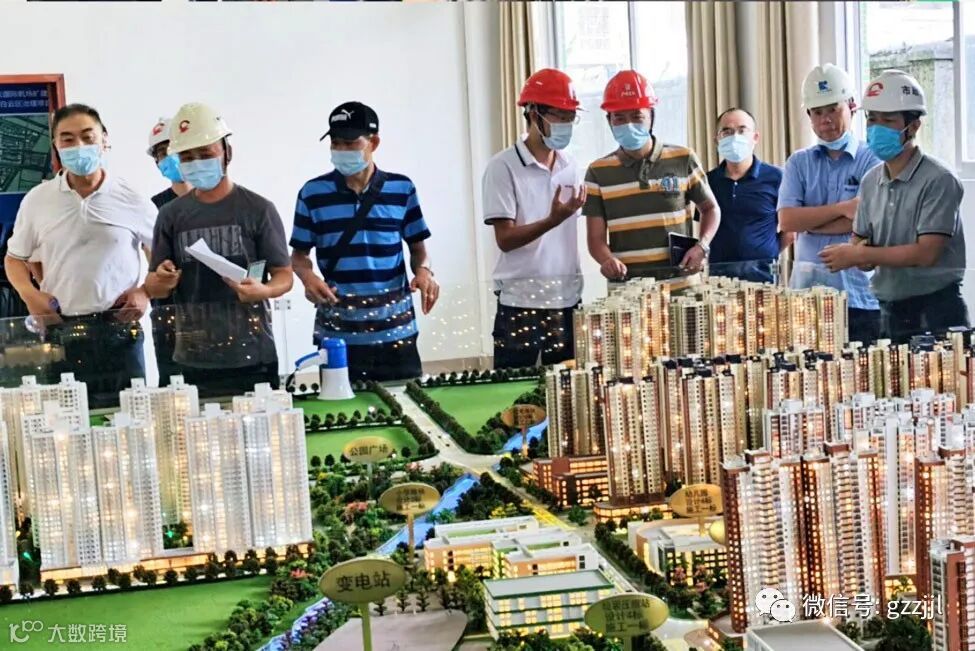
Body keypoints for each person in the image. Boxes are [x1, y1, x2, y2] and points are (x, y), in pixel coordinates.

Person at [5, 103, 156, 406]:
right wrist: (30, 295)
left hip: (119, 328)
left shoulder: (131, 197)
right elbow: (15, 258)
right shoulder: (38, 200)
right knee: (65, 420)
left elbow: (160, 254)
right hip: (60, 329)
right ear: (56, 146)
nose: (79, 146)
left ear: (105, 139)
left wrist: (145, 292)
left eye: (88, 137)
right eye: (68, 139)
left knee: (130, 417)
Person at [145, 103, 293, 397]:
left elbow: (284, 275)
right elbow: (153, 286)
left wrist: (263, 290)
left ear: (227, 153)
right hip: (192, 356)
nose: (196, 162)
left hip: (253, 353)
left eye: (205, 153)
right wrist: (163, 279)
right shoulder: (170, 215)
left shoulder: (258, 209)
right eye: (187, 157)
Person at [290, 101, 438, 382]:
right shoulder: (312, 194)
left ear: (374, 143)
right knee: (341, 406)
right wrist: (309, 278)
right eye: (336, 143)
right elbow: (298, 256)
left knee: (407, 403)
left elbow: (419, 250)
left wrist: (424, 272)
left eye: (350, 143)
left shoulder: (402, 189)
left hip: (397, 332)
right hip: (338, 336)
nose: (341, 150)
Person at [820, 70, 967, 343]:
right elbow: (860, 240)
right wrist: (859, 254)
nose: (877, 128)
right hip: (889, 310)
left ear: (913, 126)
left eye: (888, 120)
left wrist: (858, 254)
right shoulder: (870, 181)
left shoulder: (939, 179)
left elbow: (926, 253)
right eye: (872, 119)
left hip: (936, 311)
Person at [482, 69, 586, 369]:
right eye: (559, 115)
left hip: (567, 300)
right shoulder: (503, 167)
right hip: (520, 303)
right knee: (513, 389)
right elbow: (505, 239)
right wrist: (552, 220)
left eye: (570, 117)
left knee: (568, 388)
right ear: (533, 113)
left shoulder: (570, 165)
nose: (565, 124)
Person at [778, 63, 882, 345]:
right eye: (817, 112)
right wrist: (841, 209)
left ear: (851, 106)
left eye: (833, 109)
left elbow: (867, 221)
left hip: (859, 295)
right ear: (809, 116)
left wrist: (809, 222)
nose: (826, 120)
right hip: (806, 295)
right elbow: (787, 221)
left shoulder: (872, 158)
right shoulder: (798, 162)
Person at [584, 70, 720, 281]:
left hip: (680, 286)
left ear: (651, 116)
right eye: (619, 117)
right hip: (628, 290)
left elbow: (710, 208)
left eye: (637, 116)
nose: (628, 124)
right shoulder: (597, 171)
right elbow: (595, 239)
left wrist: (702, 246)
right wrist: (607, 260)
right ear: (609, 120)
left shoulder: (683, 158)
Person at [706, 108, 787, 283]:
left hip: (764, 276)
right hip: (719, 277)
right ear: (717, 140)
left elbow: (791, 230)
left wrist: (768, 252)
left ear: (755, 137)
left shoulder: (777, 177)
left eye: (742, 130)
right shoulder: (708, 181)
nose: (735, 137)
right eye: (727, 131)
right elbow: (705, 225)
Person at [146, 117, 192, 386]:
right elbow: (152, 265)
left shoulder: (225, 202)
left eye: (175, 148)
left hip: (217, 313)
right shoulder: (153, 208)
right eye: (162, 153)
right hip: (171, 315)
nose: (169, 157)